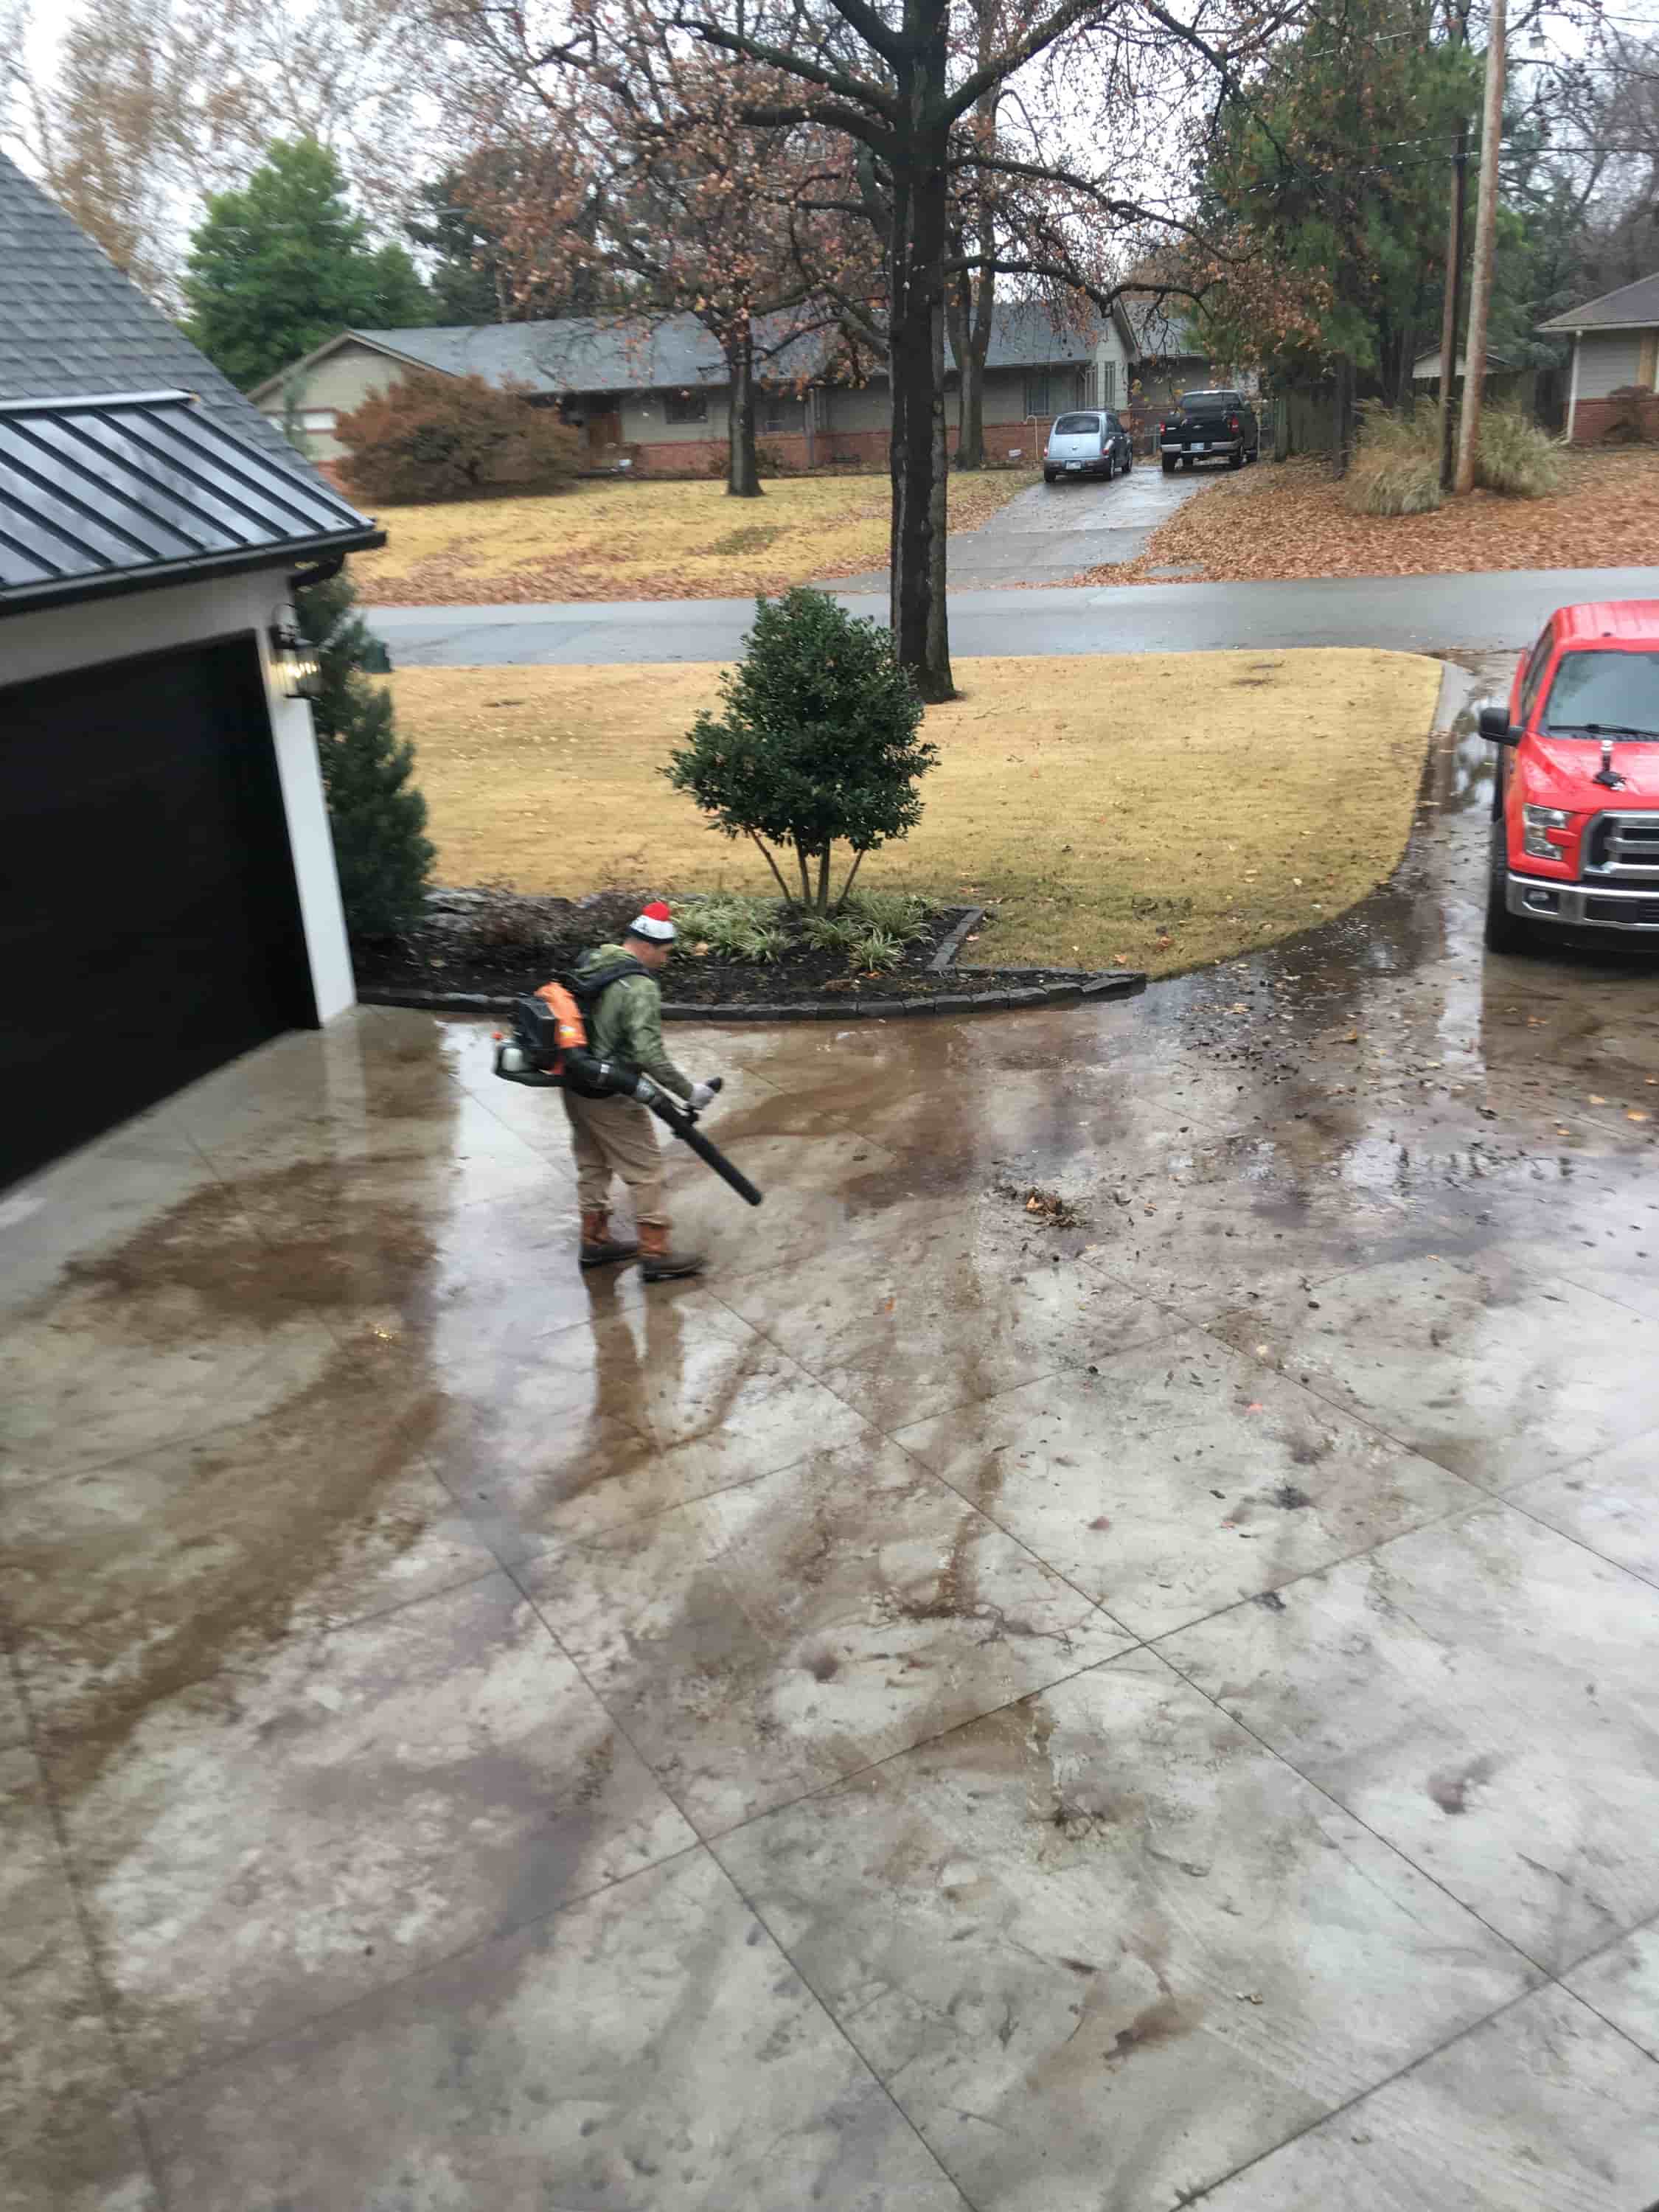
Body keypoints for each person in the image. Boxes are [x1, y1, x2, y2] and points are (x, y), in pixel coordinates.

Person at [566, 902, 717, 1281]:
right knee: (646, 1170)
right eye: (665, 953)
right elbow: (649, 1054)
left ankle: (595, 1239)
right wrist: (689, 1092)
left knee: (593, 1162)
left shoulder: (596, 960)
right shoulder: (639, 986)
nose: (664, 961)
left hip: (575, 1081)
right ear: (648, 946)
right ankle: (655, 1253)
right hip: (611, 1091)